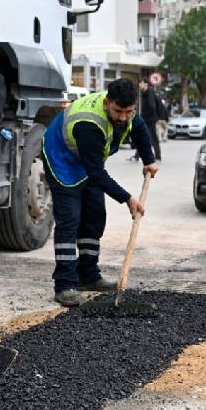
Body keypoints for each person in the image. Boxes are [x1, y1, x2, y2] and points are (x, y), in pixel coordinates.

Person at [42, 79, 159, 307]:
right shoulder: (89, 124)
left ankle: (88, 275)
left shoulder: (128, 113)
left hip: (89, 160)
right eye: (118, 111)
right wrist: (127, 199)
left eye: (128, 111)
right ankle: (65, 284)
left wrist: (149, 160)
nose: (123, 117)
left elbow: (140, 128)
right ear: (107, 103)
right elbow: (96, 174)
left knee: (94, 216)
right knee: (70, 220)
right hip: (62, 159)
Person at [130, 79, 163, 162]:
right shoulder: (145, 93)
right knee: (144, 137)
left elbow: (152, 107)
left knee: (151, 138)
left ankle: (158, 157)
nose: (139, 85)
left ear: (146, 84)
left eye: (140, 83)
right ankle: (137, 156)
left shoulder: (149, 93)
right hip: (148, 119)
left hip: (149, 119)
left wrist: (143, 116)